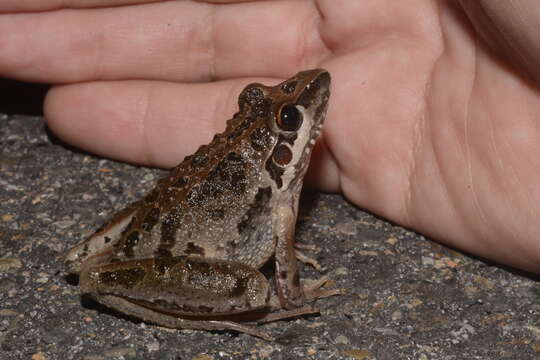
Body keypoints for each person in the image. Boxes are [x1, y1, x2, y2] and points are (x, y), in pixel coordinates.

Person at [1, 0, 539, 274]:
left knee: (121, 244)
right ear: (282, 143)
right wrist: (289, 299)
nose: (304, 97)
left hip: (159, 222)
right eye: (287, 118)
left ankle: (94, 265)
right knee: (254, 286)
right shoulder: (284, 193)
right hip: (187, 249)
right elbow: (281, 269)